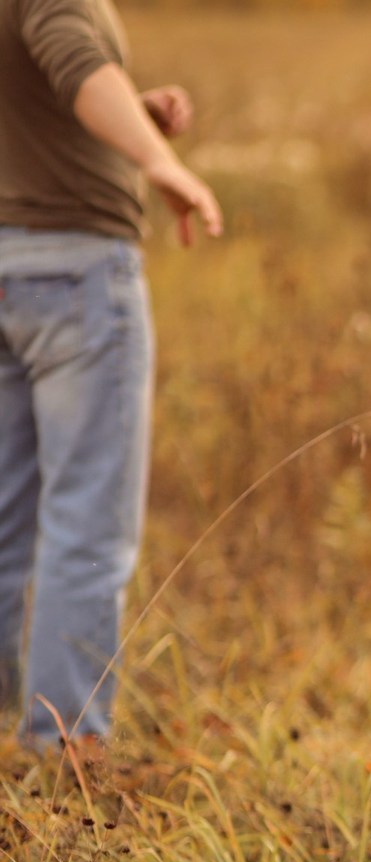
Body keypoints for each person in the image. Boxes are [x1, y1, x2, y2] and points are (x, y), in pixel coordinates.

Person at [0, 0, 222, 751]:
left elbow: (42, 91)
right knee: (87, 525)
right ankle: (63, 751)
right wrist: (158, 160)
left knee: (4, 518)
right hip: (73, 268)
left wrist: (131, 110)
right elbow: (72, 59)